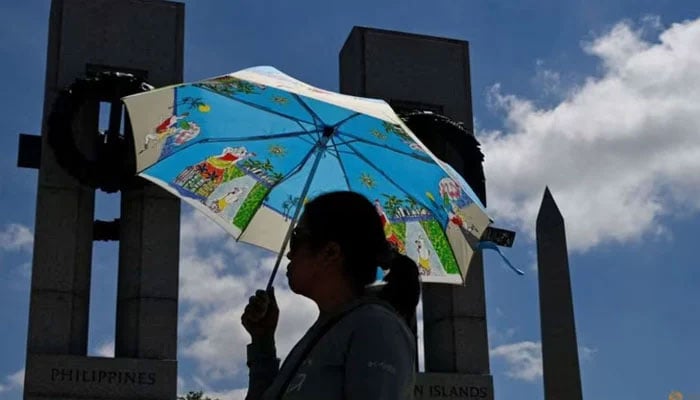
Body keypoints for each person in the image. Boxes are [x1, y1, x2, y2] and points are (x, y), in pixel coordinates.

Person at [241, 191, 421, 400]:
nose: (289, 254)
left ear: (331, 253)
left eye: (296, 239)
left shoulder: (376, 327)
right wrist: (262, 343)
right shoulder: (325, 331)